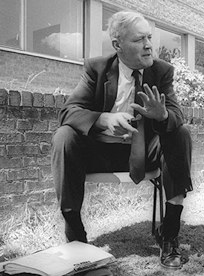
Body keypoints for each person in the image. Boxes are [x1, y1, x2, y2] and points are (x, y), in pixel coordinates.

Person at [51, 11, 192, 270]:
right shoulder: (97, 68)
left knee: (179, 133)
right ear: (118, 46)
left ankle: (169, 233)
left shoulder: (162, 72)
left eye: (149, 37)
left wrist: (162, 116)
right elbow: (68, 113)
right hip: (102, 152)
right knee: (64, 135)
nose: (149, 44)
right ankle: (75, 235)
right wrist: (103, 118)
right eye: (139, 39)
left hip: (145, 151)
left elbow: (177, 116)